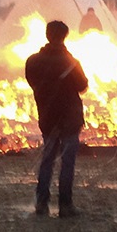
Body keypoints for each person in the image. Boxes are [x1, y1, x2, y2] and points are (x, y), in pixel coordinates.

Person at [24, 19, 90, 217]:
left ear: (47, 35)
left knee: (47, 160)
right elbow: (82, 86)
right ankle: (65, 205)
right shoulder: (71, 62)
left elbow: (32, 81)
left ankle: (41, 203)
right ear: (64, 37)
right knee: (67, 163)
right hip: (69, 117)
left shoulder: (32, 61)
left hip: (47, 116)